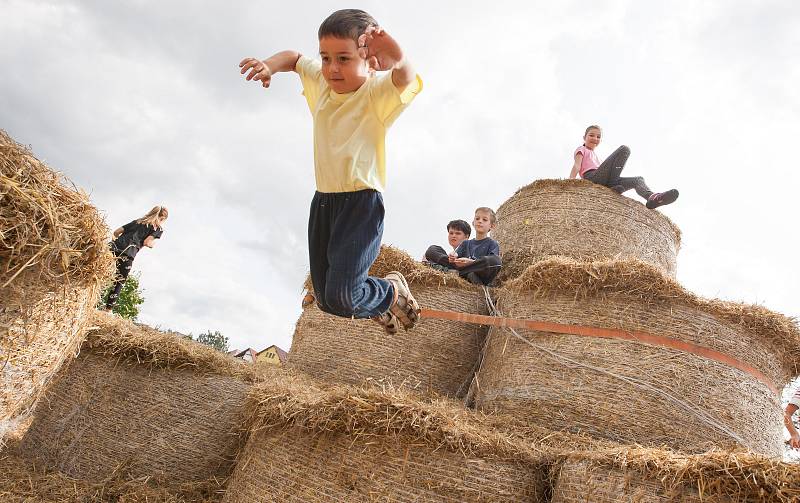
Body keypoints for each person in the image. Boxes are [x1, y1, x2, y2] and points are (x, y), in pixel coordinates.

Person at [238, 9, 422, 335]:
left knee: (342, 297)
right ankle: (375, 302)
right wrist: (270, 65)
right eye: (325, 58)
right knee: (326, 299)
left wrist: (399, 58)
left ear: (369, 59)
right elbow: (295, 59)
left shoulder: (375, 95)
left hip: (360, 204)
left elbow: (404, 78)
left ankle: (389, 292)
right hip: (323, 201)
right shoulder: (323, 84)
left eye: (343, 59)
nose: (332, 68)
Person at [569, 125, 679, 210]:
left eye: (598, 137)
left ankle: (653, 198)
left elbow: (608, 170)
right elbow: (577, 165)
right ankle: (614, 185)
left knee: (638, 180)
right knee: (624, 149)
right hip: (592, 177)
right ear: (584, 137)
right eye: (591, 135)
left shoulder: (597, 158)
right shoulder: (581, 149)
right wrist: (569, 183)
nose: (595, 138)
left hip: (605, 180)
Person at [105, 206, 168, 310]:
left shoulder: (137, 221)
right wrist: (152, 245)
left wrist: (118, 245)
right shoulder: (158, 228)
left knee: (100, 275)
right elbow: (147, 242)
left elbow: (116, 232)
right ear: (162, 218)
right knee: (119, 281)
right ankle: (107, 309)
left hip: (112, 248)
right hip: (127, 254)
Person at [450, 207, 502, 286]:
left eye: (484, 220)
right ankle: (461, 273)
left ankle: (463, 273)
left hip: (480, 276)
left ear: (491, 226)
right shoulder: (465, 243)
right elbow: (456, 256)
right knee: (433, 250)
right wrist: (453, 256)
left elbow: (494, 264)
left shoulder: (493, 244)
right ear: (473, 223)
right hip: (462, 271)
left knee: (496, 260)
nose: (480, 221)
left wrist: (471, 262)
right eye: (477, 219)